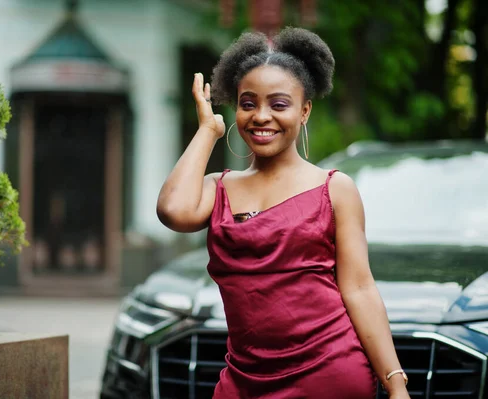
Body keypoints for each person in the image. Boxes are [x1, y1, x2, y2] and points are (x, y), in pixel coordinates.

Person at [156, 26, 410, 399]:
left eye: (278, 104)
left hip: (329, 373)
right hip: (245, 379)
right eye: (248, 103)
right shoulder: (217, 189)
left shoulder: (335, 189)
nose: (261, 116)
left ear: (304, 110)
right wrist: (208, 130)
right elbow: (172, 211)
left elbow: (359, 289)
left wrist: (396, 384)